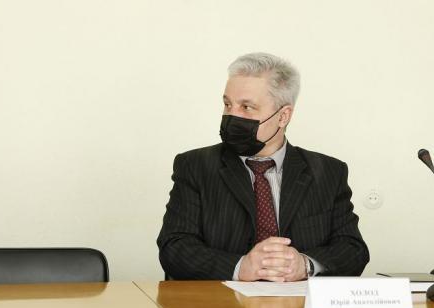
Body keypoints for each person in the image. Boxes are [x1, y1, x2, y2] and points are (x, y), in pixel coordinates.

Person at [158, 52, 369, 281]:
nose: (231, 115)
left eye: (246, 107)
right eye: (228, 104)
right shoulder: (195, 167)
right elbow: (174, 248)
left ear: (283, 116)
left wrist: (305, 265)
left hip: (298, 302)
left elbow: (353, 250)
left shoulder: (328, 172)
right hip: (221, 301)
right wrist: (240, 267)